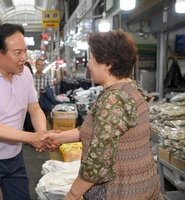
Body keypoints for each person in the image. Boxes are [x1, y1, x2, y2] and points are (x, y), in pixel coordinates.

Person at [42, 29, 164, 200]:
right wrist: (59, 137)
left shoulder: (114, 99)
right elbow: (101, 131)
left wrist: (72, 194)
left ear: (107, 64)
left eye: (91, 58)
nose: (89, 64)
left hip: (121, 190)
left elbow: (98, 161)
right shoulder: (129, 89)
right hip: (141, 185)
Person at [0, 23, 56, 199]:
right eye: (17, 53)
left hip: (14, 156)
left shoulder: (25, 73)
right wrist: (31, 138)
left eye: (25, 51)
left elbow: (34, 108)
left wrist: (42, 134)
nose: (24, 57)